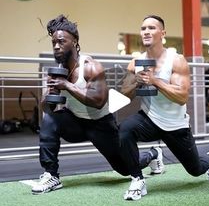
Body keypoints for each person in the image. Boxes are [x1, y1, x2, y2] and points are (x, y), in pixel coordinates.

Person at [32, 14, 158, 195]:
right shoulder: (58, 71)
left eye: (61, 41)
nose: (57, 46)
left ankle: (152, 154)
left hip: (100, 124)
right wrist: (51, 92)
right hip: (75, 122)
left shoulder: (91, 66)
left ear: (74, 41)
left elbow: (99, 102)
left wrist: (66, 85)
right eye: (54, 43)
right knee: (50, 120)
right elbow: (47, 109)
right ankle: (51, 174)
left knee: (124, 168)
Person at [119, 14, 209, 201]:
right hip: (149, 119)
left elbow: (182, 97)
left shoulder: (176, 60)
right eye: (143, 28)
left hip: (175, 125)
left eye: (152, 28)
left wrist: (155, 81)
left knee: (195, 169)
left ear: (162, 33)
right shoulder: (135, 62)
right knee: (125, 129)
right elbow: (124, 95)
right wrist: (137, 83)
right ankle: (137, 180)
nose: (146, 32)